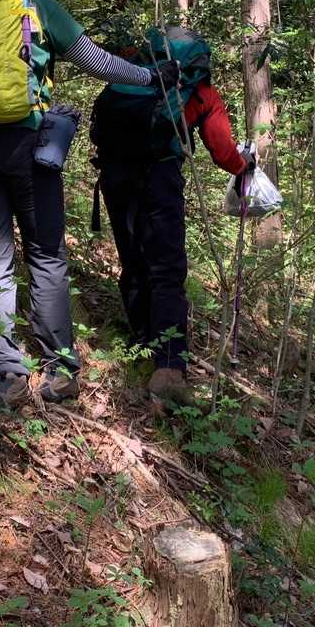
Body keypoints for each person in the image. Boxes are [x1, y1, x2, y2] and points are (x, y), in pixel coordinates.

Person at [0, 0, 180, 410]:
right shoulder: (35, 5)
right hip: (27, 144)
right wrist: (149, 77)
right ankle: (60, 370)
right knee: (45, 255)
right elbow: (94, 61)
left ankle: (6, 374)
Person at [90, 24, 254, 408]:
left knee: (133, 261)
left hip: (114, 174)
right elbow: (222, 151)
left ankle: (141, 343)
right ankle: (168, 368)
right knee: (166, 269)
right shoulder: (199, 90)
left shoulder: (131, 71)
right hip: (159, 177)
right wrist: (244, 166)